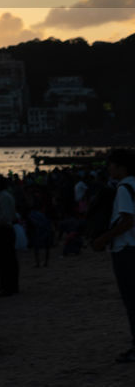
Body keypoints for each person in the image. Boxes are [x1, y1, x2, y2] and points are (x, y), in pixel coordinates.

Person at [93, 147, 135, 362]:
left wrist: (104, 238)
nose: (108, 168)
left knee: (131, 300)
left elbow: (128, 220)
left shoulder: (124, 187)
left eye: (111, 165)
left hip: (126, 249)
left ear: (121, 166)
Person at [0, 176, 20, 296]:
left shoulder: (4, 198)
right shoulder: (3, 197)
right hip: (3, 230)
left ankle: (8, 287)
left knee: (5, 260)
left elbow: (6, 217)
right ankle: (5, 286)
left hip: (4, 230)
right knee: (4, 260)